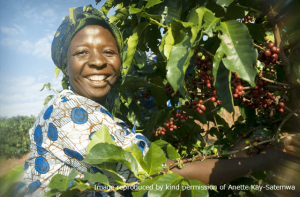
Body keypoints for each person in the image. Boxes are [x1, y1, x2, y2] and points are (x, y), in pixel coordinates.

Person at [14, 4, 298, 197]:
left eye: (109, 52)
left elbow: (159, 165)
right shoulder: (70, 112)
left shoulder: (86, 110)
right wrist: (270, 159)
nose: (98, 61)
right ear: (65, 66)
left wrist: (236, 155)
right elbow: (162, 175)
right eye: (82, 53)